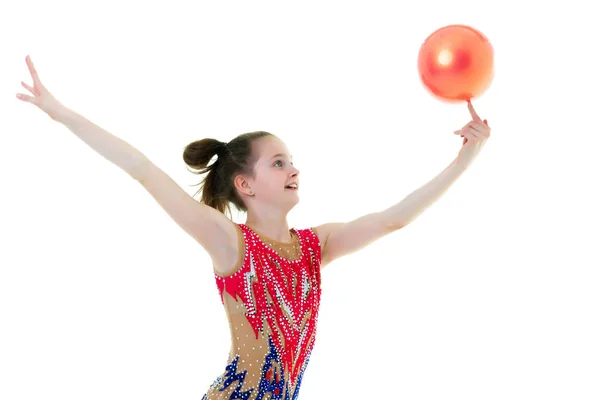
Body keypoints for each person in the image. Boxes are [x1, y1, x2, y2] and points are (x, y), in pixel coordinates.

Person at [16, 55, 491, 399]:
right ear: (245, 183)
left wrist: (464, 159)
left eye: (292, 161)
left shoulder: (315, 245)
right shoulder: (230, 243)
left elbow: (394, 218)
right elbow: (142, 168)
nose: (293, 170)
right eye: (278, 162)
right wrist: (62, 114)